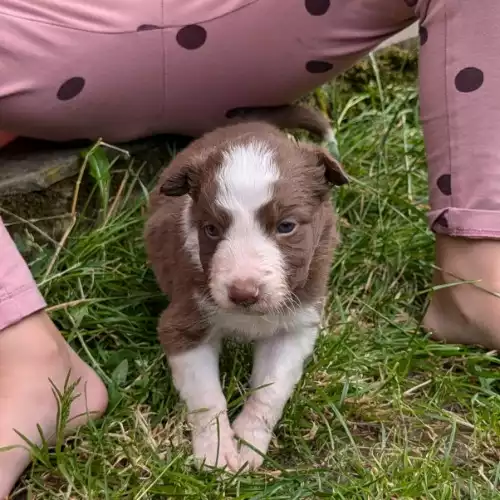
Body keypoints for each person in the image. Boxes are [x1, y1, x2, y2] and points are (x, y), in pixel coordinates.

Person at [1, 0, 499, 495]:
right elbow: (184, 332)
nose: (242, 280)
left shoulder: (313, 221)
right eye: (213, 231)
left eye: (284, 227)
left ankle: (472, 271)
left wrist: (258, 420)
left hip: (248, 34)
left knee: (289, 323)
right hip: (53, 44)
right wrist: (210, 424)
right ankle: (27, 353)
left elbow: (294, 328)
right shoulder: (190, 229)